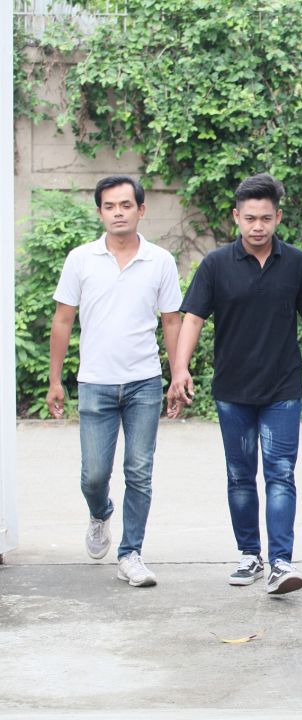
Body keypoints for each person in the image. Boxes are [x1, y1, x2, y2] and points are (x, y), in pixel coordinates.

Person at [167, 173, 302, 596]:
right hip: (232, 391)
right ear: (236, 216)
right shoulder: (216, 264)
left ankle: (281, 562)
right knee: (240, 475)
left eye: (266, 218)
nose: (258, 226)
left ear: (278, 218)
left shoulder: (296, 263)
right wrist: (180, 369)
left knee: (281, 474)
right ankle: (250, 554)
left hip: (282, 390)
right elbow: (193, 319)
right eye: (250, 218)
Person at [47, 174, 182, 587]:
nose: (118, 213)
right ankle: (100, 512)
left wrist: (178, 373)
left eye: (126, 205)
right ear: (100, 212)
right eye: (110, 206)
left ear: (141, 210)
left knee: (139, 471)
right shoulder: (80, 259)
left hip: (144, 382)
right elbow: (63, 320)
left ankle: (130, 553)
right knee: (93, 474)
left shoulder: (160, 260)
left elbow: (171, 321)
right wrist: (55, 380)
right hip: (95, 382)